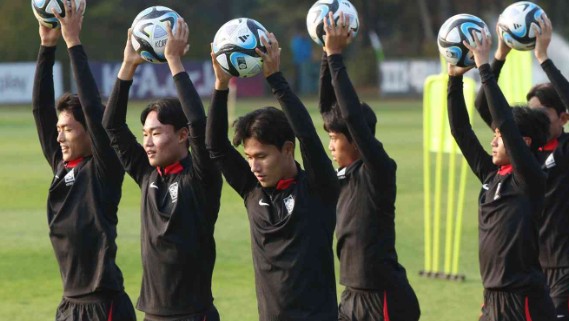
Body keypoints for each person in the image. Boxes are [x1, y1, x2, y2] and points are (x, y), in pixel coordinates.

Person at [206, 32, 339, 320]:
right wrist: (220, 86)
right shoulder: (252, 190)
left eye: (262, 156)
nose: (254, 166)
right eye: (249, 157)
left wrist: (276, 79)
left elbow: (307, 134)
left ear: (288, 150)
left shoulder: (318, 188)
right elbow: (215, 146)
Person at [102, 19, 222, 321]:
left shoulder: (200, 176)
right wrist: (128, 65)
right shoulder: (147, 174)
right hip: (152, 314)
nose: (148, 142)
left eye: (156, 133)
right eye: (145, 134)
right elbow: (113, 126)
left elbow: (199, 124)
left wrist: (174, 61)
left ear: (182, 136)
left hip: (195, 315)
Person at [32, 1, 136, 320]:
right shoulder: (62, 166)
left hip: (103, 304)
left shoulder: (104, 168)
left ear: (90, 133)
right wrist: (47, 46)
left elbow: (92, 108)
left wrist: (73, 42)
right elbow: (40, 109)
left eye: (68, 130)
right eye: (58, 130)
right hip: (68, 305)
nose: (59, 136)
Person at [317, 12, 420, 321]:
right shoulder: (343, 176)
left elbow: (351, 118)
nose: (331, 145)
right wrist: (326, 54)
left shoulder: (378, 170)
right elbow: (329, 111)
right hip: (351, 295)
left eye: (337, 139)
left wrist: (336, 58)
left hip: (383, 298)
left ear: (358, 141)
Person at [448, 30, 555, 320]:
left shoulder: (529, 178)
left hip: (524, 303)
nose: (493, 140)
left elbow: (507, 123)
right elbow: (460, 130)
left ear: (525, 143)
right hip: (491, 300)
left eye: (499, 136)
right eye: (494, 135)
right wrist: (454, 79)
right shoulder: (491, 176)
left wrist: (485, 66)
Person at [474, 17, 569, 320]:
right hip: (532, 267)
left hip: (564, 266)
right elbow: (484, 109)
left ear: (563, 118)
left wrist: (543, 58)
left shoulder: (565, 151)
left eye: (543, 111)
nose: (535, 116)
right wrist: (499, 56)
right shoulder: (521, 155)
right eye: (531, 112)